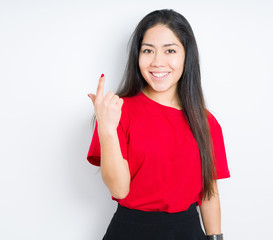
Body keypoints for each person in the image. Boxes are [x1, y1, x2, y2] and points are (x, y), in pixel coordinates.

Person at [87, 9, 230, 240]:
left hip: (188, 232)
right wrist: (106, 128)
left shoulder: (207, 122)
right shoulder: (116, 112)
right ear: (138, 56)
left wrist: (216, 238)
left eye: (170, 50)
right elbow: (119, 189)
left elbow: (209, 194)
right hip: (130, 232)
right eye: (148, 51)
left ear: (187, 56)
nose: (157, 62)